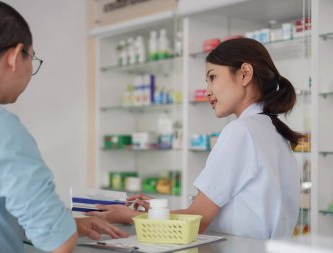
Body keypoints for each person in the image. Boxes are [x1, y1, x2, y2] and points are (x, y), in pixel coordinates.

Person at [0, 1, 128, 253]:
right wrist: (63, 229)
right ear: (15, 56)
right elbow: (59, 242)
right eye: (32, 58)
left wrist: (69, 223)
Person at [87, 38, 302, 240]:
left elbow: (195, 221)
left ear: (244, 74)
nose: (207, 91)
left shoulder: (241, 131)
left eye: (213, 77)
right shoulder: (273, 130)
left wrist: (127, 216)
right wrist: (159, 211)